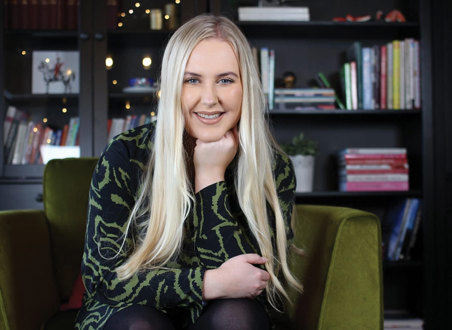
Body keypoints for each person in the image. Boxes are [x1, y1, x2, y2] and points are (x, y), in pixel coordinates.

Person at [75, 14, 301, 330]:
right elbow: (105, 280)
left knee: (237, 317)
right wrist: (211, 283)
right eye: (192, 79)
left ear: (245, 87)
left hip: (225, 318)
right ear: (172, 86)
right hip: (128, 315)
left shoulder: (274, 168)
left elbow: (252, 285)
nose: (209, 99)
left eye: (225, 80)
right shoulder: (126, 154)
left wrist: (211, 178)